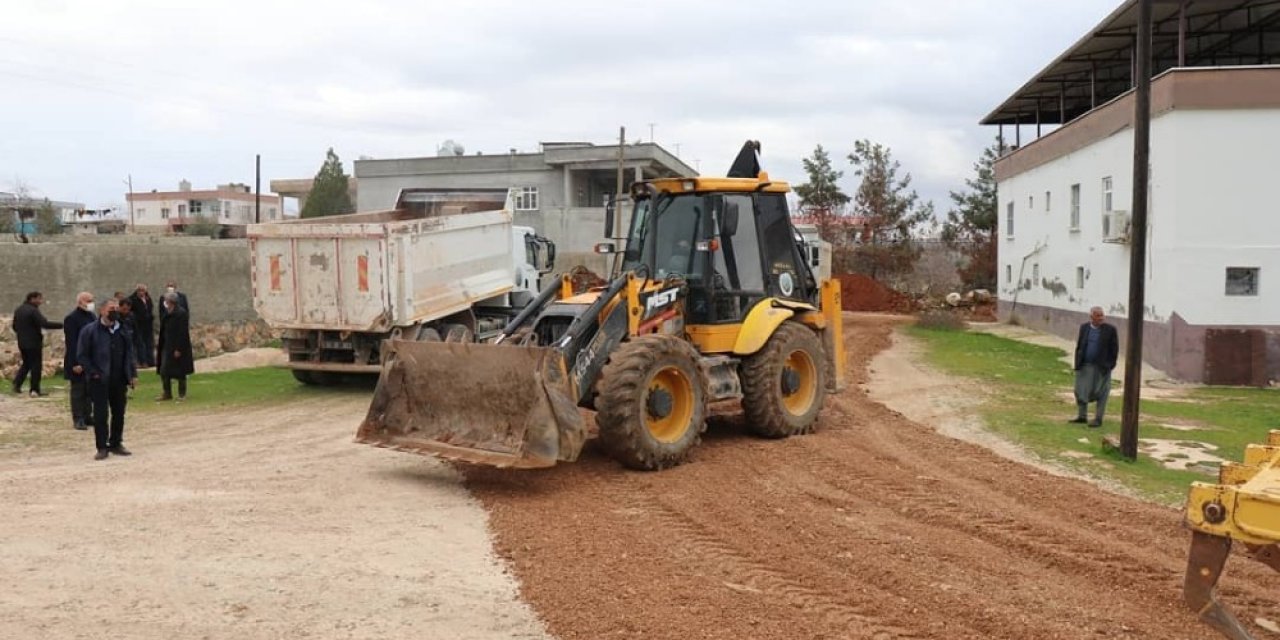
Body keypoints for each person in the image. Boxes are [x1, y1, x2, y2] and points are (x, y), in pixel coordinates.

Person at [77, 299, 138, 460]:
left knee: (119, 412)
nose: (115, 311)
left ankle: (116, 443)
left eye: (116, 308)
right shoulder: (90, 331)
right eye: (111, 308)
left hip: (119, 379)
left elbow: (129, 354)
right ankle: (102, 447)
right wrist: (93, 372)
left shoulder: (123, 329)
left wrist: (132, 374)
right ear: (102, 311)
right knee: (100, 414)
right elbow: (82, 355)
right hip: (99, 380)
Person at [1070, 306, 1120, 428]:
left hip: (1101, 368)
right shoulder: (1084, 328)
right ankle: (1082, 416)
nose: (1101, 318)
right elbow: (1080, 346)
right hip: (1085, 366)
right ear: (1091, 316)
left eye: (1102, 315)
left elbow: (1114, 350)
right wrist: (1077, 363)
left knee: (1102, 392)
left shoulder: (1110, 330)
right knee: (1080, 390)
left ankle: (1098, 418)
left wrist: (1110, 365)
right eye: (1098, 315)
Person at [11, 291, 63, 397]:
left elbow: (14, 326)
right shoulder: (33, 311)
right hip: (33, 342)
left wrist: (22, 334)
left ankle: (17, 384)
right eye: (39, 299)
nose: (41, 301)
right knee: (36, 366)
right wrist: (62, 325)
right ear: (32, 299)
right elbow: (44, 323)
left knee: (26, 364)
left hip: (22, 342)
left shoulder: (19, 309)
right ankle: (34, 389)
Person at [62, 292, 97, 430]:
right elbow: (72, 343)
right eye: (88, 300)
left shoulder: (92, 316)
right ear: (80, 302)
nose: (90, 303)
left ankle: (88, 415)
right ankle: (78, 418)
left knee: (89, 389)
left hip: (90, 359)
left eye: (92, 300)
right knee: (78, 391)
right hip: (77, 359)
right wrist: (76, 362)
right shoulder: (71, 318)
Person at [156, 291, 193, 401]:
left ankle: (182, 394)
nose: (165, 302)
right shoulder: (167, 313)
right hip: (167, 344)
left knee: (180, 371)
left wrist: (179, 348)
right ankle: (167, 393)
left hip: (177, 346)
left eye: (166, 300)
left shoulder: (181, 313)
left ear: (171, 301)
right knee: (164, 370)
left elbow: (183, 332)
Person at [128, 283, 156, 368]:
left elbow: (150, 308)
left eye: (143, 290)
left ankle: (150, 360)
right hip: (138, 325)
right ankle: (142, 361)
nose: (141, 292)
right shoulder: (132, 299)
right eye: (140, 290)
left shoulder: (148, 298)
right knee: (140, 344)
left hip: (148, 325)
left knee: (149, 343)